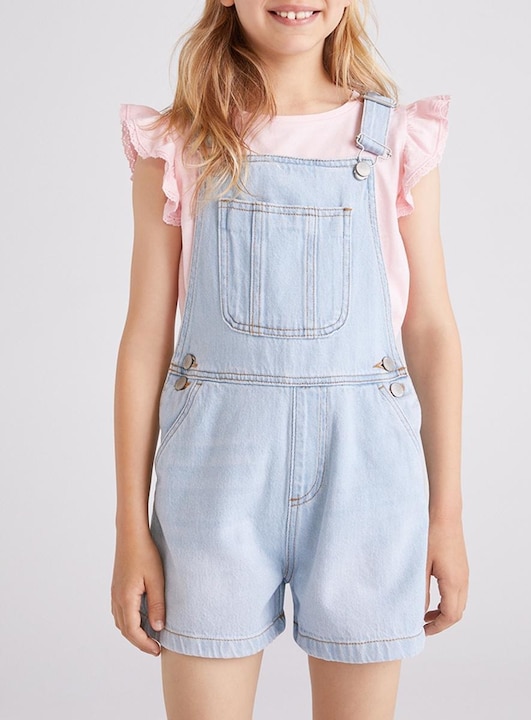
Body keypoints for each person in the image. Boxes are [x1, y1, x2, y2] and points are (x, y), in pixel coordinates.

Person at [111, 1, 469, 718]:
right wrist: (130, 529)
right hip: (214, 474)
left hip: (367, 474)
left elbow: (430, 329)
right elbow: (145, 338)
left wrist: (447, 517)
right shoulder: (180, 144)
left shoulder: (394, 141)